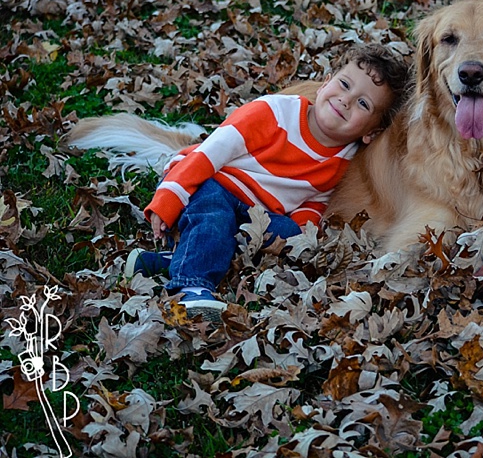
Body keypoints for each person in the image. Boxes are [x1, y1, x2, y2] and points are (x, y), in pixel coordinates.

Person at [125, 43, 409, 321]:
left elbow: (316, 198)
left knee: (284, 232)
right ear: (324, 84)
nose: (346, 100)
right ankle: (191, 289)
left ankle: (173, 259)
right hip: (211, 180)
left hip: (256, 211)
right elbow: (209, 154)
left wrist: (301, 235)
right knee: (214, 216)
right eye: (344, 84)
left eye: (363, 103)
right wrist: (169, 197)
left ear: (371, 132)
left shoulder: (344, 158)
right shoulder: (273, 113)